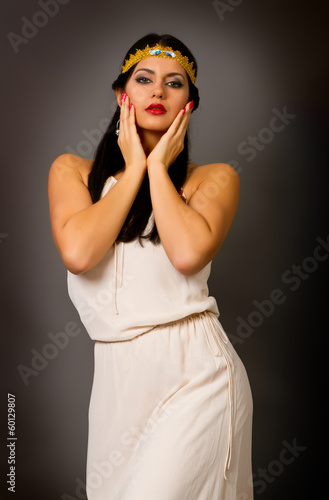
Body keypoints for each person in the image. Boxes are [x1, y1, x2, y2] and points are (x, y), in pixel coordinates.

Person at [48, 33, 253, 500]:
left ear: (189, 104)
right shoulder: (73, 172)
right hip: (116, 387)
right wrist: (135, 168)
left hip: (196, 373)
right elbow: (79, 254)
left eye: (174, 83)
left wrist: (159, 169)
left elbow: (185, 254)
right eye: (144, 79)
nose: (157, 92)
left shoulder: (214, 179)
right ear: (124, 95)